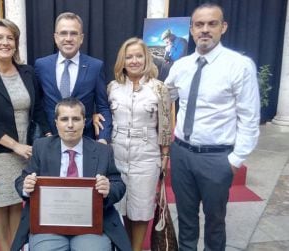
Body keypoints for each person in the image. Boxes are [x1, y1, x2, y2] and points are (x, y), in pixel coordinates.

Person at [164, 3, 260, 250]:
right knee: (185, 220)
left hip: (217, 158)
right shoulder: (181, 66)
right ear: (192, 29)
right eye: (199, 24)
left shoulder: (238, 65)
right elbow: (165, 97)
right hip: (182, 155)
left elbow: (249, 117)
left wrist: (235, 160)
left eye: (212, 24)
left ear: (223, 27)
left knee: (215, 223)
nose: (205, 30)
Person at [0, 19, 51, 251]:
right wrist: (14, 145)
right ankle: (5, 248)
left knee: (18, 202)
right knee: (1, 204)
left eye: (10, 38)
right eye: (0, 38)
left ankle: (17, 246)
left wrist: (46, 137)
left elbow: (39, 108)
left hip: (28, 149)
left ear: (15, 43)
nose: (5, 42)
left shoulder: (27, 71)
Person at [10, 98, 132, 251]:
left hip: (91, 224)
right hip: (49, 224)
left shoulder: (102, 150)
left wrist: (109, 189)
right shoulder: (41, 147)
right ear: (56, 122)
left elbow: (118, 184)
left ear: (84, 121)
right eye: (64, 119)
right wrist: (26, 187)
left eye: (75, 119)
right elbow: (21, 180)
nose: (70, 125)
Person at [94, 37, 172, 250]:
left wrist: (165, 156)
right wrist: (95, 116)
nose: (134, 60)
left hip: (146, 156)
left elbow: (165, 126)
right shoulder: (113, 87)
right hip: (116, 155)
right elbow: (104, 113)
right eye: (129, 57)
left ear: (146, 58)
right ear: (123, 60)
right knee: (119, 206)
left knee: (141, 209)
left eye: (139, 56)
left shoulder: (159, 88)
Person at [34, 12, 112, 144]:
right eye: (63, 33)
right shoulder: (41, 65)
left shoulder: (95, 66)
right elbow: (37, 106)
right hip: (49, 141)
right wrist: (46, 132)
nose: (68, 38)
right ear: (55, 37)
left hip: (85, 141)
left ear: (81, 38)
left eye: (74, 33)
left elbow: (103, 107)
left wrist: (103, 139)